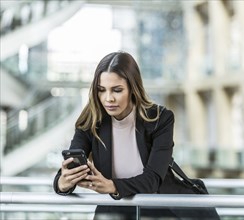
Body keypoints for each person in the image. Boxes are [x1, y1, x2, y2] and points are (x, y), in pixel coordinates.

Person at [53, 51, 220, 220]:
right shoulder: (90, 122)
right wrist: (64, 183)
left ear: (133, 88)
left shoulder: (160, 119)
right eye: (101, 90)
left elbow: (152, 179)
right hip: (116, 210)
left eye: (117, 90)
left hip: (161, 208)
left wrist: (112, 185)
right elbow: (69, 167)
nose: (108, 98)